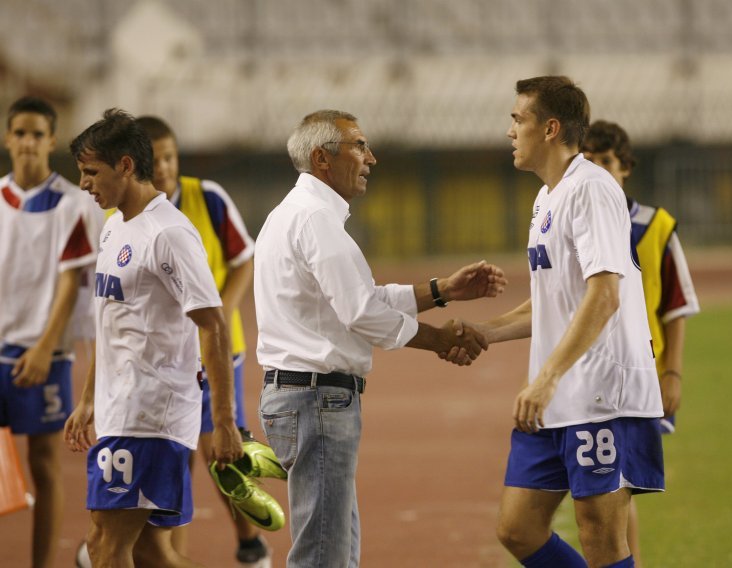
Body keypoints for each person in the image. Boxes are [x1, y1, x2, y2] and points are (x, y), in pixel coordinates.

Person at [254, 109, 507, 567]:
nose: (371, 157)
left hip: (305, 397)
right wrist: (439, 340)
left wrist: (442, 291)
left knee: (337, 550)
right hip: (316, 401)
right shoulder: (315, 220)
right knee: (324, 556)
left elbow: (360, 297)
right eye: (358, 145)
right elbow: (360, 311)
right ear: (321, 158)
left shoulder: (296, 214)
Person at [445, 76, 665, 568]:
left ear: (549, 128)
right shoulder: (547, 197)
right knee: (518, 528)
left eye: (517, 119)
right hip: (559, 393)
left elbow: (604, 295)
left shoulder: (592, 189)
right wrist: (487, 331)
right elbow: (554, 304)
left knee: (602, 538)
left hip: (601, 393)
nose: (509, 131)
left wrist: (545, 377)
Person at [63, 108, 243, 567]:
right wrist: (89, 399)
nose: (84, 184)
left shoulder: (170, 233)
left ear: (125, 165)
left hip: (151, 414)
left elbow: (214, 325)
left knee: (105, 545)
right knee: (146, 551)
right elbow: (111, 325)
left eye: (91, 172)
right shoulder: (113, 226)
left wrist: (223, 420)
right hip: (118, 408)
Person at [133, 115, 269, 566]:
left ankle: (250, 542)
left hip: (214, 351)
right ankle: (174, 554)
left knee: (222, 455)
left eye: (171, 156)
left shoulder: (205, 197)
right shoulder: (125, 213)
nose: (165, 167)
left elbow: (243, 259)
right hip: (166, 358)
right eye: (156, 159)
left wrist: (223, 311)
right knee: (178, 458)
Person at [582, 119, 700, 566]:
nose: (597, 169)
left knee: (618, 487)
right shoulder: (576, 218)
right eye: (588, 160)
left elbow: (676, 304)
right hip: (587, 373)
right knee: (604, 488)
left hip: (639, 376)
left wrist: (672, 373)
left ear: (625, 167)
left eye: (606, 161)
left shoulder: (655, 227)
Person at [0, 95, 98, 568]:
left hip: (43, 352)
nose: (27, 142)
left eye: (37, 134)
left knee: (43, 464)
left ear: (51, 141)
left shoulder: (71, 203)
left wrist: (43, 346)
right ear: (7, 138)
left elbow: (68, 284)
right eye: (19, 132)